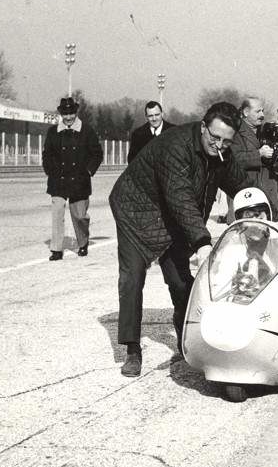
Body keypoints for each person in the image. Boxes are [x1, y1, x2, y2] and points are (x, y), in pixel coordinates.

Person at [109, 102, 251, 376]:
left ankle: (186, 340)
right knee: (132, 277)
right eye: (214, 137)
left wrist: (264, 212)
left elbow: (242, 186)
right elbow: (180, 197)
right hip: (137, 212)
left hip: (173, 217)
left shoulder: (222, 153)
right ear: (202, 127)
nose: (219, 145)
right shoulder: (175, 146)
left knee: (180, 280)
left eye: (226, 141)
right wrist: (201, 241)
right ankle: (132, 349)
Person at [42, 95, 104, 261]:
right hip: (58, 180)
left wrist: (88, 171)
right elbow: (47, 155)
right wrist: (50, 170)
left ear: (76, 113)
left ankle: (82, 242)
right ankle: (56, 249)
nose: (68, 117)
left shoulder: (87, 130)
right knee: (57, 214)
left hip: (79, 180)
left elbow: (97, 154)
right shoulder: (53, 132)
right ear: (61, 114)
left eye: (71, 114)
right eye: (65, 114)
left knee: (80, 216)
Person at [229, 95, 278, 220]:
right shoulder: (234, 132)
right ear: (246, 112)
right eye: (258, 111)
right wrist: (259, 154)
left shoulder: (266, 131)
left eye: (262, 111)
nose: (262, 115)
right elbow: (233, 160)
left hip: (267, 192)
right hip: (246, 194)